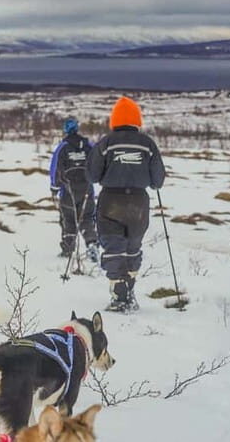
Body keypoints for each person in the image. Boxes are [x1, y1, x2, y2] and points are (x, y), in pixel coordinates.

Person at [87, 97, 166, 313]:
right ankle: (129, 289)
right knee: (133, 248)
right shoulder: (148, 144)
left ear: (114, 120)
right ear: (136, 120)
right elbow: (158, 180)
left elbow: (92, 175)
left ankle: (119, 295)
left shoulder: (106, 143)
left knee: (113, 247)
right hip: (139, 204)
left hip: (111, 201)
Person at [49, 117, 99, 264]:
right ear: (77, 128)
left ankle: (68, 249)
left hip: (68, 190)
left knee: (69, 219)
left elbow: (55, 168)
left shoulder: (63, 147)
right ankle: (91, 243)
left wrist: (54, 187)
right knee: (87, 218)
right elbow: (96, 164)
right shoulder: (88, 145)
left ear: (65, 129)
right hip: (87, 189)